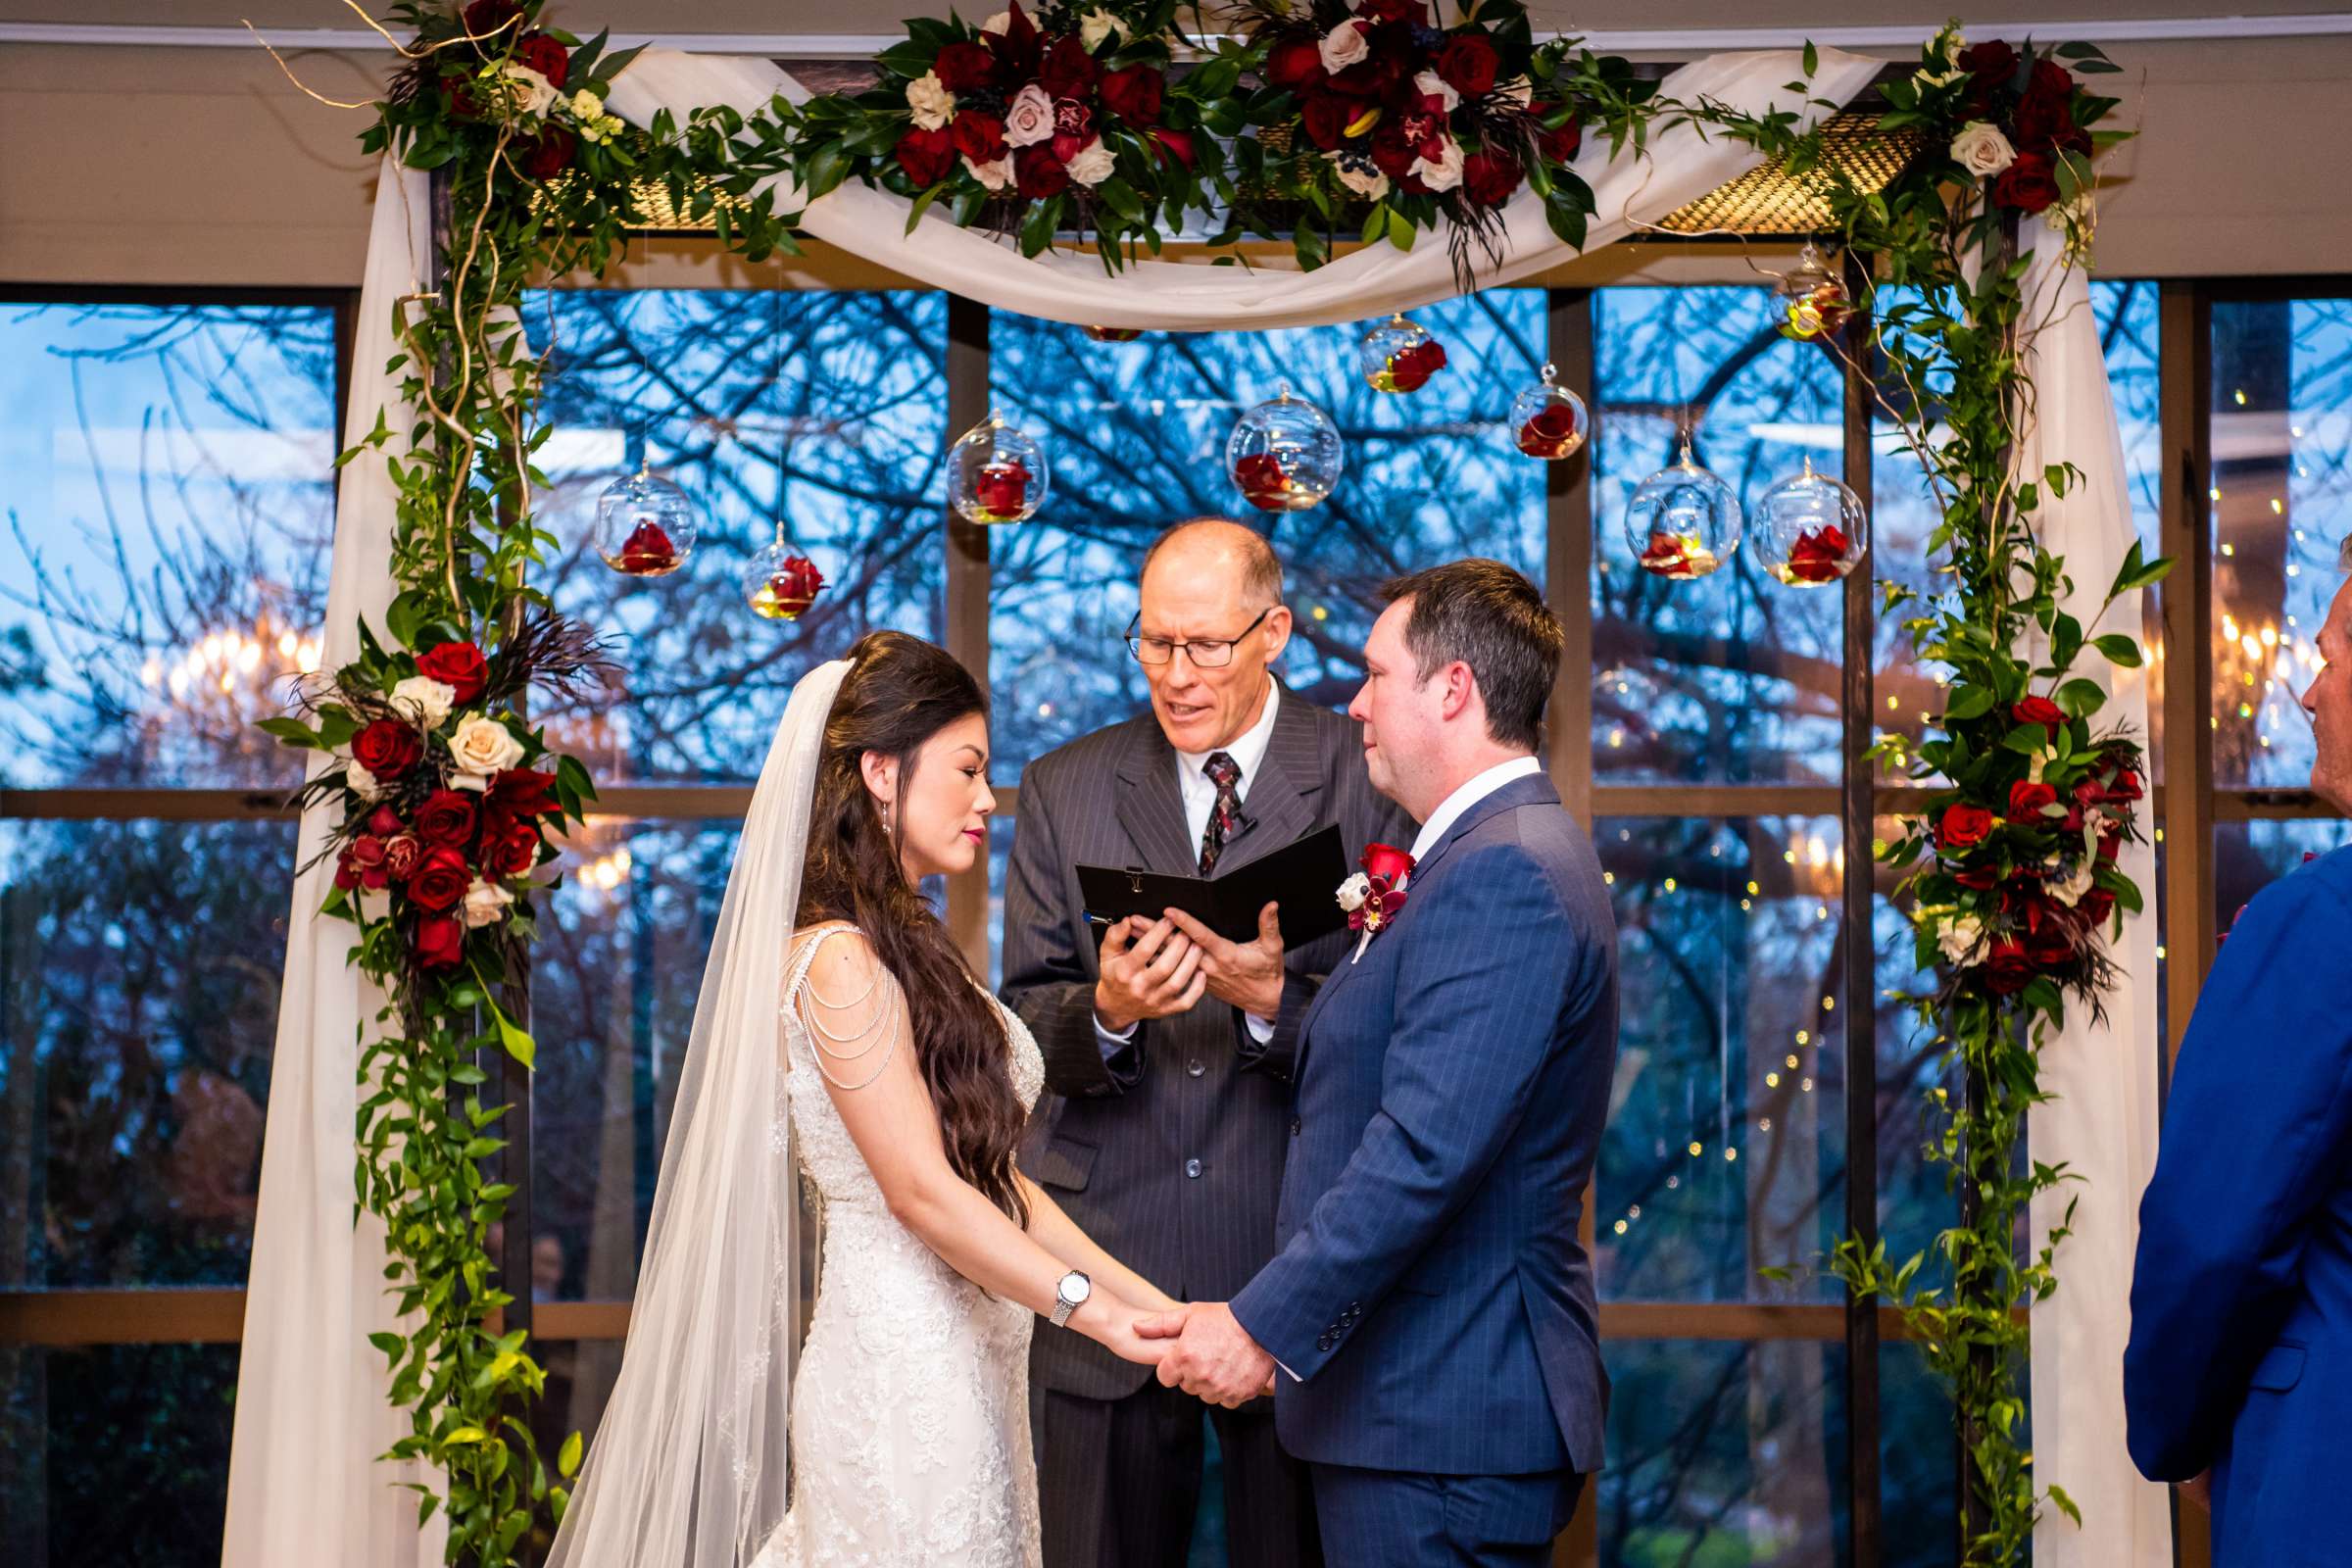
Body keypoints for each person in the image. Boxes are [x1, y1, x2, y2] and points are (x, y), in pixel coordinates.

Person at [547, 632, 1173, 1568]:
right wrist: (1093, 1313)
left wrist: (1156, 1310)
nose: (987, 799)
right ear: (881, 771)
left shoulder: (906, 944)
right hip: (899, 1373)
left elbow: (996, 1182)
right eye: (966, 769)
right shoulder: (837, 958)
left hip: (973, 1362)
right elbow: (921, 1194)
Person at [1142, 559, 1617, 1567]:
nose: (1353, 706)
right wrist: (1274, 998)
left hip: (1443, 1412)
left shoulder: (1504, 872)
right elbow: (1423, 1061)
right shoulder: (1478, 852)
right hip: (1419, 1408)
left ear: (1453, 690)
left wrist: (1260, 1326)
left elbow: (1423, 1151)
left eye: (1374, 676)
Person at [1003, 518, 1409, 1568]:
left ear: (1272, 631)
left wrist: (1275, 999)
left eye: (1205, 647)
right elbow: (1022, 1019)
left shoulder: (1366, 775)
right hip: (1110, 1263)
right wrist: (1108, 1010)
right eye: (1153, 643)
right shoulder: (1065, 785)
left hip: (1291, 1259)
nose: (1175, 675)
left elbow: (1407, 1022)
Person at [2125, 570, 2352, 1564]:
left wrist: (2175, 1429)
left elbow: (2214, 1238)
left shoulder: (2317, 929)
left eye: (2333, 655)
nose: (2309, 691)